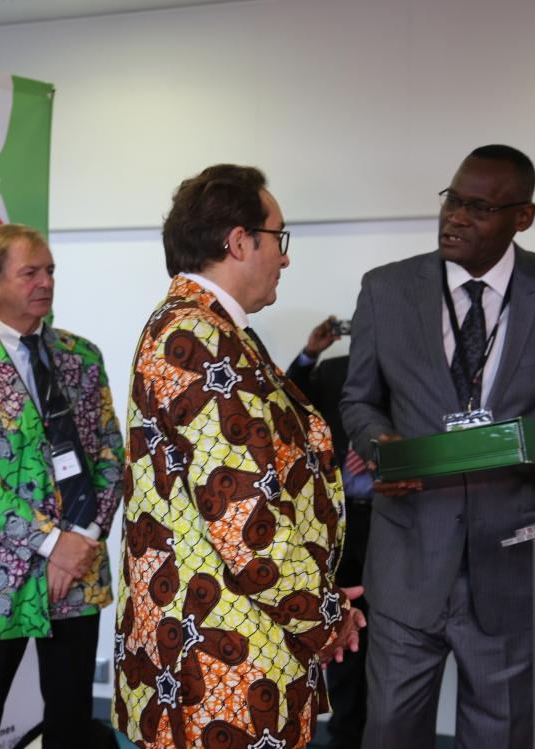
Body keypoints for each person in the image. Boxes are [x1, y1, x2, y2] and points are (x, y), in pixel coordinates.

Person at [340, 144, 535, 749]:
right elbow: (357, 399)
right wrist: (377, 443)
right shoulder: (386, 290)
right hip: (408, 561)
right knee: (388, 733)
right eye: (451, 200)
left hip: (516, 569)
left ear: (523, 216)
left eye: (478, 207)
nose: (455, 218)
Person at [114, 164, 363, 749]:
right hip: (220, 654)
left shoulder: (216, 329)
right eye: (280, 238)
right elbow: (242, 516)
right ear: (239, 240)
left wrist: (316, 598)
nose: (285, 257)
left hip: (233, 638)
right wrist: (322, 613)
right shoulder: (196, 336)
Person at [0, 223, 124, 749]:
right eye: (29, 272)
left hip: (78, 568)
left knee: (70, 724)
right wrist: (54, 544)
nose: (45, 282)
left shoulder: (82, 357)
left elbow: (109, 454)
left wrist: (82, 538)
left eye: (49, 270)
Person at [288, 319, 372, 749]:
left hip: (393, 521)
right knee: (343, 633)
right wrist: (310, 353)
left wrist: (384, 449)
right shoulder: (335, 369)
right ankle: (344, 739)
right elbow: (288, 402)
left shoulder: (412, 371)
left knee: (390, 643)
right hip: (342, 525)